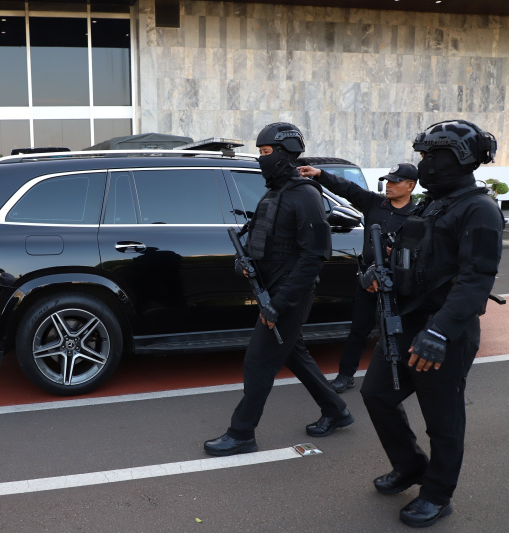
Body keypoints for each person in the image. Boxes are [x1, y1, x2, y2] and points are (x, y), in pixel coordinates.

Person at [360, 120, 504, 527]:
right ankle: (410, 466)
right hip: (405, 323)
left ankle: (438, 494)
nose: (422, 164)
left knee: (442, 421)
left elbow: (475, 279)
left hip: (444, 333)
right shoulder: (430, 204)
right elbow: (401, 254)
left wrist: (439, 332)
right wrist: (376, 272)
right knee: (376, 395)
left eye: (428, 156)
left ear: (455, 157)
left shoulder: (479, 209)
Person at [204, 123, 354, 457]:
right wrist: (243, 264)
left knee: (258, 363)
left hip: (289, 295)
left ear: (285, 153)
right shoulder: (275, 193)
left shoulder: (305, 195)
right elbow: (261, 241)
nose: (260, 159)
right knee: (294, 355)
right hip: (272, 290)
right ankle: (337, 410)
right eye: (259, 153)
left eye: (266, 152)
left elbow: (314, 257)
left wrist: (280, 303)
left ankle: (242, 433)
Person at [296, 162, 418, 393]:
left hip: (397, 285)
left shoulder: (417, 216)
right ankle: (345, 375)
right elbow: (347, 188)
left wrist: (400, 251)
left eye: (395, 181)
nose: (389, 185)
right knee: (358, 331)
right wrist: (319, 174)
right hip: (368, 282)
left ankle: (403, 376)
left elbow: (422, 253)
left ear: (410, 186)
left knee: (397, 331)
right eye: (387, 180)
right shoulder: (374, 203)